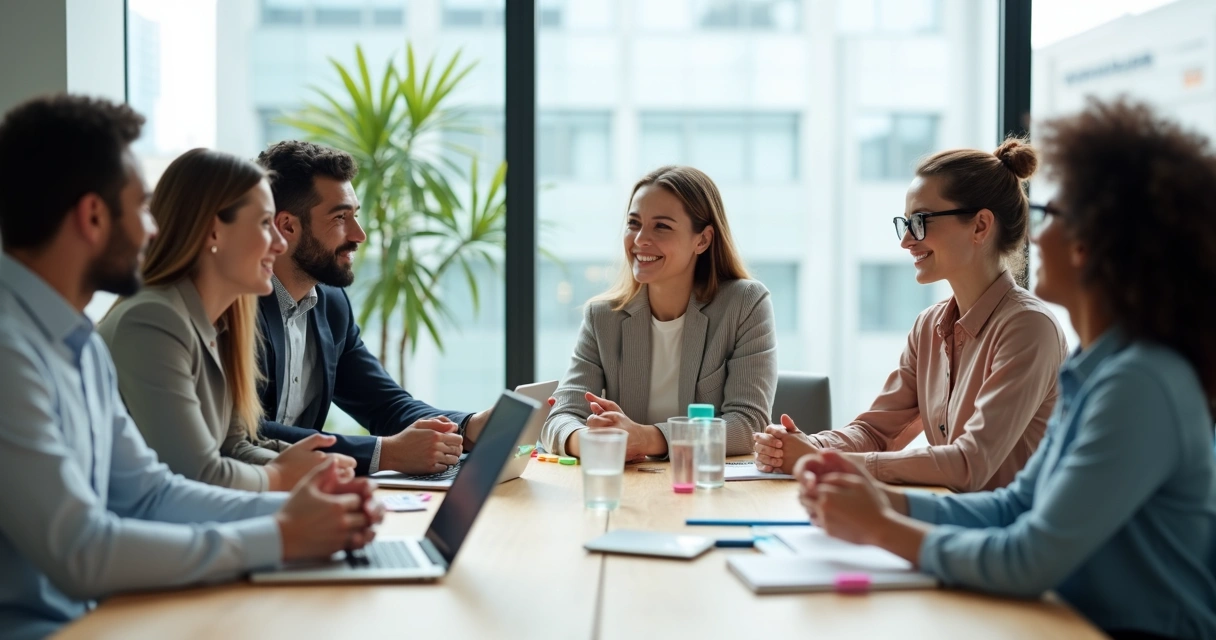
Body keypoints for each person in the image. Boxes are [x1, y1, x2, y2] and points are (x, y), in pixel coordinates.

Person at [797, 98, 1216, 639]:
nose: (1035, 236)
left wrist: (879, 527)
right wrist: (883, 499)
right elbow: (1016, 506)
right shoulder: (1097, 368)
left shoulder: (1141, 384)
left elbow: (1028, 557)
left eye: (1049, 217)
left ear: (1095, 245)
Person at [0, 94, 383, 640]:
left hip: (98, 616)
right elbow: (81, 551)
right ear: (91, 217)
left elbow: (150, 492)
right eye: (141, 210)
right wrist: (282, 534)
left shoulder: (75, 342)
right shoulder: (12, 352)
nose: (154, 231)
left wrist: (299, 516)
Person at [754, 138, 1068, 492]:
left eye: (920, 221)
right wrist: (808, 446)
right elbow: (876, 432)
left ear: (980, 226)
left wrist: (822, 462)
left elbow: (968, 463)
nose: (906, 240)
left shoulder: (1028, 328)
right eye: (904, 223)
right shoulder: (929, 326)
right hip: (953, 523)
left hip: (1010, 536)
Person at [98, 149, 356, 491]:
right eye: (266, 224)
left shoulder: (223, 319)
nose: (280, 244)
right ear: (214, 232)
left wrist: (322, 470)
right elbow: (198, 475)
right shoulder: (152, 319)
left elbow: (234, 447)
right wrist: (287, 476)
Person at [253, 141, 492, 477]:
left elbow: (383, 404)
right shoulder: (238, 307)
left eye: (356, 215)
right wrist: (384, 453)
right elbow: (247, 434)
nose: (359, 234)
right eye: (340, 217)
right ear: (287, 226)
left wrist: (468, 426)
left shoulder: (331, 305)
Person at [542, 165, 777, 460]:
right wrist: (591, 440)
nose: (640, 239)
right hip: (632, 489)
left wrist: (648, 439)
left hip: (709, 489)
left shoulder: (745, 304)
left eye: (661, 226)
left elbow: (747, 425)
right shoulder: (602, 316)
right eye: (633, 223)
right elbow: (559, 417)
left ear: (702, 240)